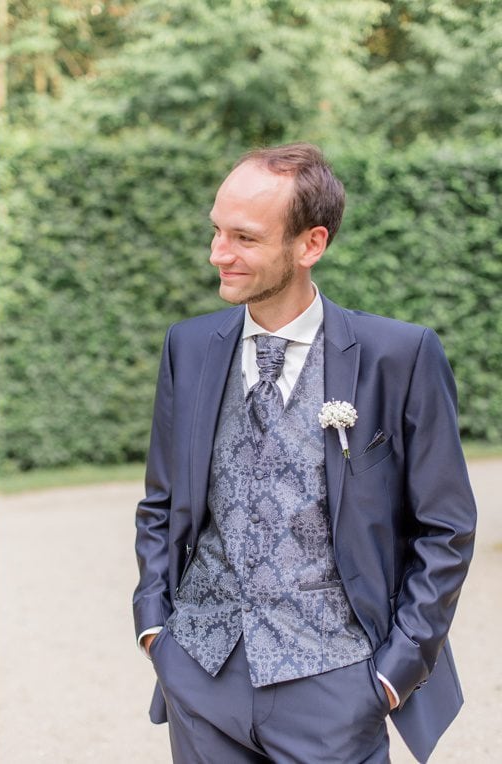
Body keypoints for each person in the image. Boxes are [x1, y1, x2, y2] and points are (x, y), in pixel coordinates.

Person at [132, 143, 476, 764]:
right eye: (216, 231)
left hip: (337, 688)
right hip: (200, 674)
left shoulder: (399, 357)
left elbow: (447, 529)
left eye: (244, 238)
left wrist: (393, 673)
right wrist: (156, 627)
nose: (218, 254)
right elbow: (160, 503)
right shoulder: (187, 347)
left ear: (309, 245)